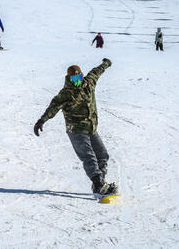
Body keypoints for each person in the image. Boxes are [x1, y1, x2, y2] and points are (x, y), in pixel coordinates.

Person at [33, 58, 118, 196]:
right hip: (76, 129)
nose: (77, 80)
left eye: (79, 76)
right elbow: (53, 107)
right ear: (69, 78)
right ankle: (98, 184)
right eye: (74, 77)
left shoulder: (89, 82)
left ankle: (99, 183)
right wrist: (41, 120)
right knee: (89, 157)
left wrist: (106, 63)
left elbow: (97, 71)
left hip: (91, 128)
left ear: (82, 75)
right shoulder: (66, 93)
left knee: (103, 155)